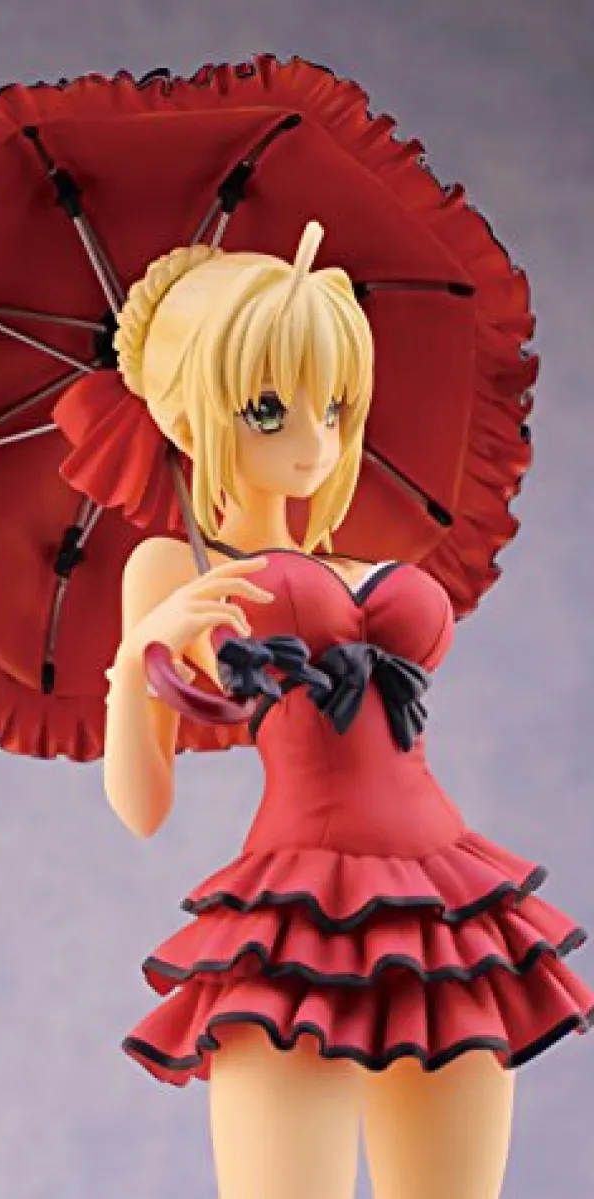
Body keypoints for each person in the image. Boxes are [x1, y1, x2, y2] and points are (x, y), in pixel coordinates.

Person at [99, 221, 592, 1199]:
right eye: (269, 408)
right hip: (297, 910)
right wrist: (133, 658)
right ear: (189, 417)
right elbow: (141, 808)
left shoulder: (360, 559)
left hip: (445, 899)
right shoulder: (170, 567)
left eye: (332, 405)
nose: (315, 441)